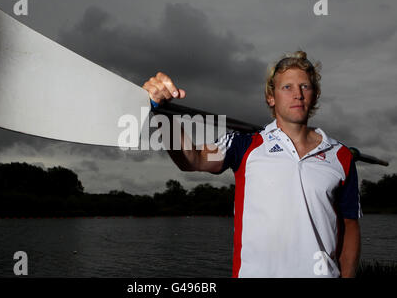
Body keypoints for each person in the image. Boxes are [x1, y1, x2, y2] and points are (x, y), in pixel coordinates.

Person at [142, 51, 361, 278]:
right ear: (271, 97)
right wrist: (163, 113)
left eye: (305, 86)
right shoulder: (243, 143)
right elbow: (192, 159)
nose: (298, 94)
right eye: (287, 87)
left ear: (314, 95)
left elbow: (350, 225)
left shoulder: (340, 155)